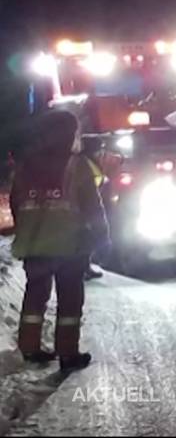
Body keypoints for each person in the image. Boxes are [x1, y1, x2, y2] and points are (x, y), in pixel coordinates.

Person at [11, 110, 108, 371]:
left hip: (34, 244)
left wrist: (27, 229)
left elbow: (16, 202)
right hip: (69, 245)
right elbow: (92, 205)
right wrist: (101, 235)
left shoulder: (27, 164)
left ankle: (30, 348)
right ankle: (67, 353)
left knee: (34, 297)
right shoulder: (78, 165)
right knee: (69, 299)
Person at [80, 137, 110, 280]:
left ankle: (85, 266)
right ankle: (82, 268)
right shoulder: (84, 164)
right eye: (100, 149)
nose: (102, 152)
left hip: (86, 204)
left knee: (87, 238)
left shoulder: (88, 162)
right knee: (86, 238)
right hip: (83, 206)